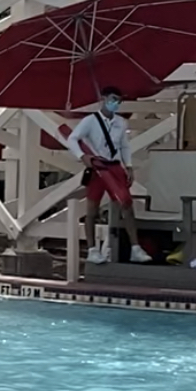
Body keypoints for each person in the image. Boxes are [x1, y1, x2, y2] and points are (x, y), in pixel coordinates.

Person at [65, 88, 151, 266]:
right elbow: (72, 139)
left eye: (118, 101)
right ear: (103, 99)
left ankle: (136, 248)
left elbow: (124, 146)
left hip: (115, 166)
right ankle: (92, 250)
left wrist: (128, 166)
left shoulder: (121, 122)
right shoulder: (90, 121)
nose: (116, 104)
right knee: (92, 209)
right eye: (113, 100)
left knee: (126, 204)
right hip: (97, 167)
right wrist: (82, 156)